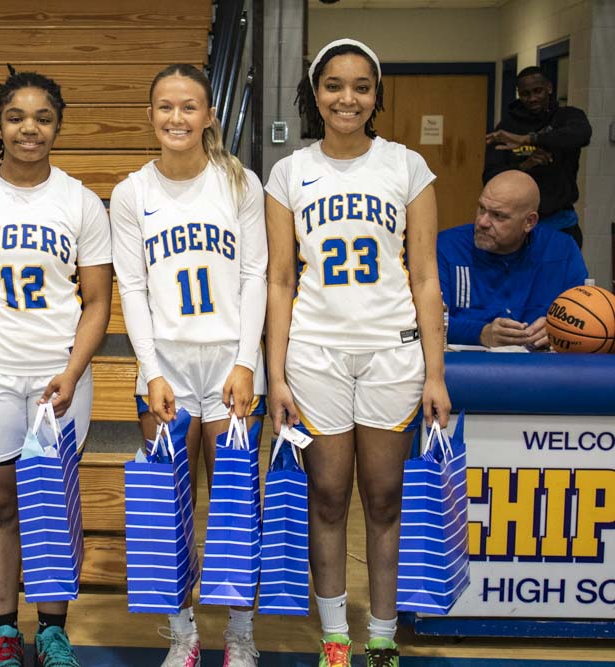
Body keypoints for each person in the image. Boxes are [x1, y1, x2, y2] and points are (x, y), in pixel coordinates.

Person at [264, 39, 451, 667]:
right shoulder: (289, 173)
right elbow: (280, 280)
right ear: (315, 93)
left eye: (362, 87)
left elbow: (425, 276)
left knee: (385, 497)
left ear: (376, 96)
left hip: (391, 352)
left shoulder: (407, 166)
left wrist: (436, 373)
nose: (348, 98)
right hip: (315, 353)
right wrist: (275, 375)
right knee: (326, 495)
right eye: (335, 85)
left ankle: (382, 637)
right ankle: (336, 638)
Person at [0, 67, 112, 667]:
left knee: (54, 506)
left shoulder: (81, 201)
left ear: (58, 127)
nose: (28, 129)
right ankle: (4, 632)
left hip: (59, 375)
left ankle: (53, 631)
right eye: (15, 117)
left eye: (42, 118)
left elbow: (98, 302)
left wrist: (73, 369)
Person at [110, 63, 267, 667]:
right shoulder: (132, 192)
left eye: (189, 107)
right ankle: (183, 634)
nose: (176, 118)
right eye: (165, 107)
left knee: (236, 507)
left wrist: (246, 361)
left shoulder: (239, 182)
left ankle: (240, 634)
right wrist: (150, 370)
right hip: (167, 366)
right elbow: (132, 287)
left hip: (230, 364)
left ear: (208, 116)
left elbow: (255, 276)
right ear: (150, 115)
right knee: (167, 506)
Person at [438, 170, 588, 349]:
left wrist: (559, 330)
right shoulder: (446, 248)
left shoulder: (562, 251)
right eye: (481, 209)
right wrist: (480, 333)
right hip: (466, 363)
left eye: (498, 216)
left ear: (529, 222)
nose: (482, 222)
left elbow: (585, 320)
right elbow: (426, 321)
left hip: (542, 364)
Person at [483, 66, 591, 247]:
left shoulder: (567, 117)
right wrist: (525, 166)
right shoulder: (507, 128)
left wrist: (528, 139)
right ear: (519, 94)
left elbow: (582, 134)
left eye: (538, 91)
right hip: (518, 225)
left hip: (560, 222)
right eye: (525, 94)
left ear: (549, 88)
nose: (532, 98)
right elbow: (490, 177)